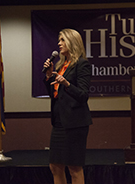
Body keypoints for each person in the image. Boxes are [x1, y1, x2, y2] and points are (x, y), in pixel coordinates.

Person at [43, 28, 92, 184]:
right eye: (59, 40)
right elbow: (55, 95)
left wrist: (66, 83)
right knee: (55, 166)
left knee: (74, 168)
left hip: (75, 123)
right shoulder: (60, 66)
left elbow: (83, 95)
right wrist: (48, 76)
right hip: (59, 122)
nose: (59, 43)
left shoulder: (82, 64)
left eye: (62, 40)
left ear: (72, 41)